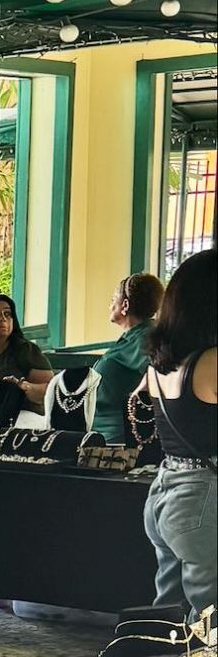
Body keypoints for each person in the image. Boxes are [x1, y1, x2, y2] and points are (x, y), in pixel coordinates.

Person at [141, 248, 216, 617]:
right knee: (209, 620)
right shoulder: (213, 362)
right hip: (204, 499)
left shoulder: (159, 364)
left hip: (165, 493)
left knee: (166, 615)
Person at [90, 273, 163, 442]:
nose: (109, 306)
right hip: (99, 432)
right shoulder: (135, 337)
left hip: (117, 438)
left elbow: (158, 370)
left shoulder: (146, 337)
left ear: (125, 305)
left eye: (113, 299)